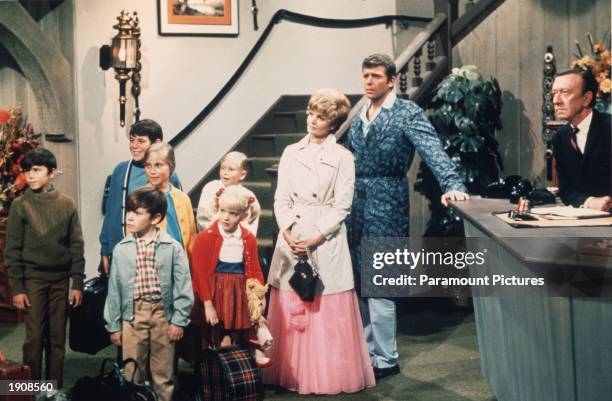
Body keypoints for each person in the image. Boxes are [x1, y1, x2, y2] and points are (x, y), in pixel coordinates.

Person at [345, 54, 469, 380]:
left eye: (374, 76)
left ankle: (387, 358)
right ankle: (368, 355)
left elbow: (432, 149)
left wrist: (452, 183)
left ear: (391, 80)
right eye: (365, 76)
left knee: (381, 282)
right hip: (355, 205)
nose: (368, 81)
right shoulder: (361, 114)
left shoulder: (406, 113)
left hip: (387, 202)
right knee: (360, 283)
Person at [263, 88, 375, 394]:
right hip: (293, 234)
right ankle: (291, 371)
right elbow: (281, 198)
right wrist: (287, 230)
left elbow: (343, 205)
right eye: (312, 113)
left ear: (333, 122)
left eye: (321, 116)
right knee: (290, 297)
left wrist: (317, 235)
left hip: (324, 238)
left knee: (325, 303)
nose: (313, 120)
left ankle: (327, 374)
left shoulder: (342, 157)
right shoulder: (290, 152)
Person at [4, 148, 85, 399]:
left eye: (37, 170)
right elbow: (12, 251)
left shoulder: (67, 204)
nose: (30, 175)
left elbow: (76, 246)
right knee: (34, 338)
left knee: (57, 337)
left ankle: (53, 388)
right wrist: (17, 288)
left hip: (61, 281)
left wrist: (77, 282)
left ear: (51, 173)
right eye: (27, 170)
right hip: (33, 281)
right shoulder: (20, 206)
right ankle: (30, 390)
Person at [104, 187, 194, 401]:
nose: (129, 217)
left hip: (163, 315)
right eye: (129, 211)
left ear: (155, 218)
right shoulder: (121, 249)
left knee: (164, 374)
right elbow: (114, 291)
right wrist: (114, 325)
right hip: (133, 316)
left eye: (137, 212)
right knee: (132, 372)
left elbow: (183, 286)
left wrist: (179, 320)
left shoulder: (172, 247)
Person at [191, 185, 270, 366]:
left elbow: (254, 270)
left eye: (233, 214)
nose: (226, 217)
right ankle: (216, 376)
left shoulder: (248, 238)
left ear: (243, 215)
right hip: (214, 292)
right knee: (216, 336)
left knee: (235, 336)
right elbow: (199, 274)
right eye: (223, 211)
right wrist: (208, 304)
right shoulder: (205, 237)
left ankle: (238, 370)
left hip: (238, 291)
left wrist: (258, 297)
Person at [99, 119, 182, 273]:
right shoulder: (121, 170)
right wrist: (105, 248)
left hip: (156, 255)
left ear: (156, 142)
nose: (134, 146)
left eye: (141, 141)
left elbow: (176, 218)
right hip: (122, 249)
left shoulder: (169, 175)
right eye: (132, 140)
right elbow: (111, 213)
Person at [551, 68, 611, 211]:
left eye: (565, 93)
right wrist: (590, 202)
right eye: (554, 93)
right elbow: (566, 190)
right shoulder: (560, 137)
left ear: (586, 98)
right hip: (586, 219)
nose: (556, 101)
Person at [144, 143, 197, 255]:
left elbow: (192, 239)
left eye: (158, 165)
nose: (152, 171)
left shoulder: (183, 199)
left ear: (171, 167)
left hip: (180, 262)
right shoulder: (140, 198)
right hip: (151, 264)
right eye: (148, 165)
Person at [196, 151, 261, 234]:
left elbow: (251, 222)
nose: (225, 172)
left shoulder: (248, 195)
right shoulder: (210, 188)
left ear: (242, 175)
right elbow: (202, 218)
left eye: (231, 169)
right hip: (212, 237)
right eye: (222, 168)